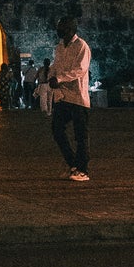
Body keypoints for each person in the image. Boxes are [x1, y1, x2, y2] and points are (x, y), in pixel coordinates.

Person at [49, 17, 91, 181]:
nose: (59, 30)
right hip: (63, 96)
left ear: (71, 29)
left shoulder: (81, 46)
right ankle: (73, 163)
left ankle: (83, 170)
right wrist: (50, 76)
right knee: (57, 130)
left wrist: (59, 79)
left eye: (62, 27)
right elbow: (56, 65)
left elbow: (80, 70)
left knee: (81, 135)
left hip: (78, 97)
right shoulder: (59, 47)